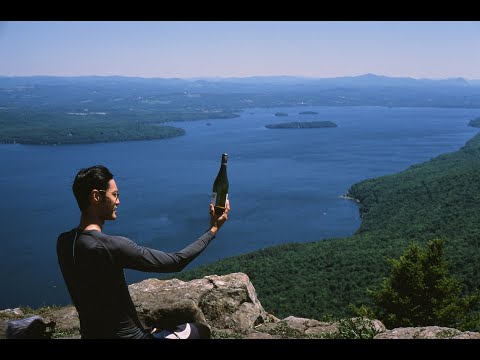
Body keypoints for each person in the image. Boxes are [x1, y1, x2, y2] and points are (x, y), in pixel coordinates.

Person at [56, 165, 230, 339]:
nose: (118, 201)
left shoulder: (64, 242)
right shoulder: (112, 246)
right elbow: (176, 261)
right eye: (114, 195)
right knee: (200, 331)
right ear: (96, 196)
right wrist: (213, 229)